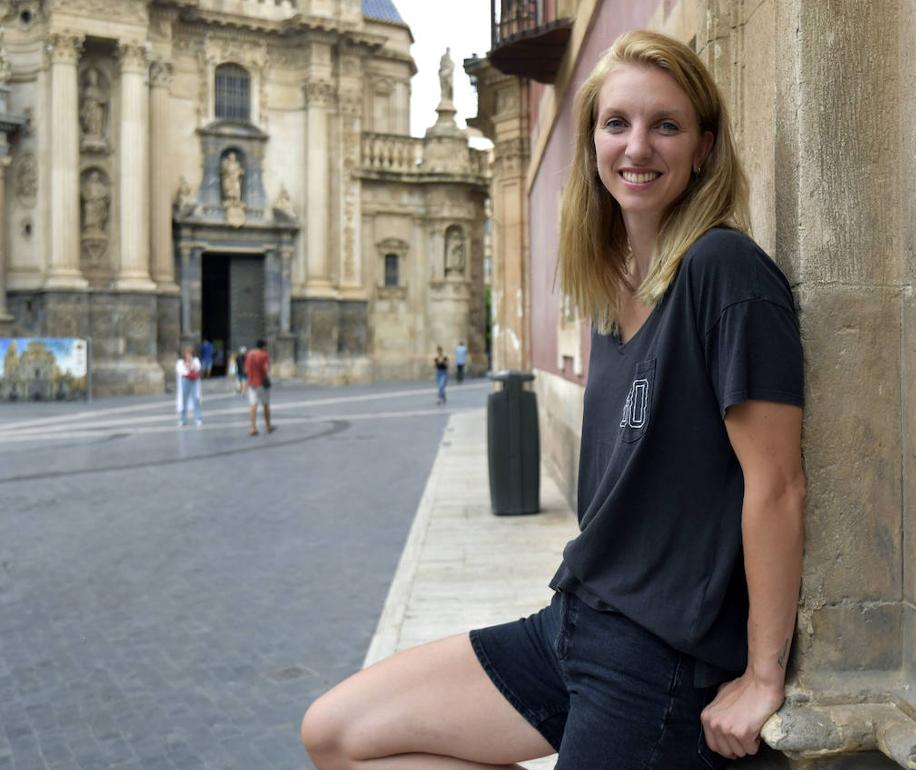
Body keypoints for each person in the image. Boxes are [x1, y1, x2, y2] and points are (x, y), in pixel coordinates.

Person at [301, 30, 805, 769]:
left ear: (703, 147)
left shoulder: (724, 272)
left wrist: (763, 677)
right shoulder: (610, 293)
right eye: (617, 123)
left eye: (666, 125)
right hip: (572, 624)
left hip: (658, 663)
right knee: (337, 733)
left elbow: (779, 486)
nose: (638, 146)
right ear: (592, 142)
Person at [244, 339, 274, 436]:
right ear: (263, 346)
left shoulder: (249, 355)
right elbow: (266, 369)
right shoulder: (264, 355)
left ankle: (253, 427)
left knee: (253, 405)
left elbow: (246, 370)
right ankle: (268, 426)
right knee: (265, 405)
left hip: (252, 384)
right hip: (262, 383)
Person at [174, 347, 203, 427]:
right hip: (185, 381)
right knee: (184, 400)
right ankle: (182, 419)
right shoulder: (180, 362)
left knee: (196, 399)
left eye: (189, 354)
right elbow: (180, 370)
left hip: (194, 381)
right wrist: (187, 368)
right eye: (187, 354)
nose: (188, 355)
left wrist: (190, 365)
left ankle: (198, 418)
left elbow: (198, 368)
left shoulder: (195, 360)